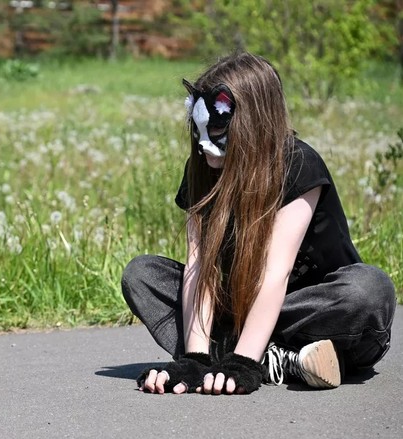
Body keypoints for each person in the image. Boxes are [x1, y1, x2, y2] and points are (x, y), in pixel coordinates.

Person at [120, 51, 396, 395]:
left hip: (315, 314)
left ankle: (253, 356)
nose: (204, 142)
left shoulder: (297, 164)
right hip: (239, 309)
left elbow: (274, 272)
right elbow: (198, 268)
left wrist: (243, 363)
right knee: (142, 274)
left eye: (218, 127)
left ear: (252, 122)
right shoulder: (203, 170)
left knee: (369, 288)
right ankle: (282, 360)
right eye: (198, 128)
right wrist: (194, 359)